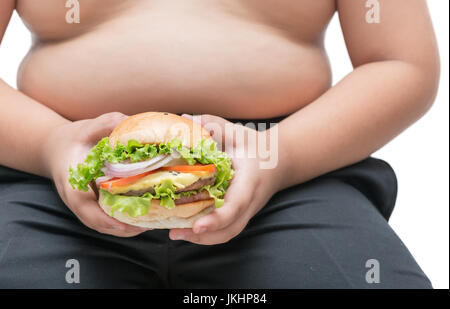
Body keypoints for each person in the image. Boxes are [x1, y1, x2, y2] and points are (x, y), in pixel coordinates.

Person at [0, 0, 439, 288]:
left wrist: (279, 158)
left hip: (292, 170)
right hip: (52, 171)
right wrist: (49, 144)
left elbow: (399, 63)